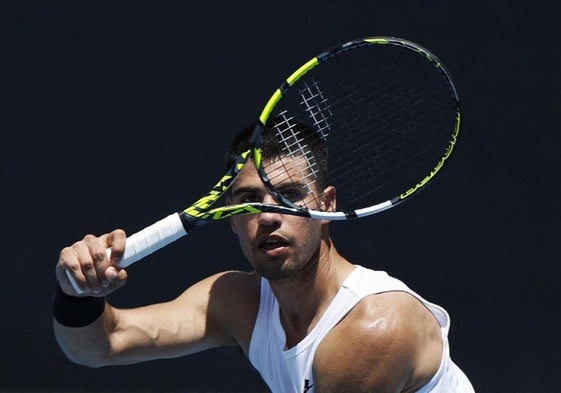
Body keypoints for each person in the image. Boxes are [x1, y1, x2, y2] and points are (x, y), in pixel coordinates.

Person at [53, 120, 475, 393]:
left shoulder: (375, 326)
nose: (270, 216)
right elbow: (100, 346)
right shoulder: (239, 303)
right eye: (250, 201)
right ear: (231, 219)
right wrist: (77, 291)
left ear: (326, 205)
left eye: (289, 196)